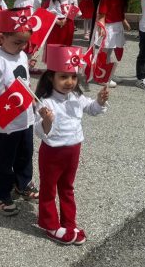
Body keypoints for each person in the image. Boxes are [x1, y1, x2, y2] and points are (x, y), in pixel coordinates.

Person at [35, 45, 108, 245]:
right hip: (52, 152)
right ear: (51, 77)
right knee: (49, 188)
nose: (69, 82)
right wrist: (47, 120)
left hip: (73, 149)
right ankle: (50, 224)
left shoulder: (76, 97)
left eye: (73, 77)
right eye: (63, 77)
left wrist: (100, 101)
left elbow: (92, 109)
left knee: (67, 187)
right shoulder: (45, 102)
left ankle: (69, 222)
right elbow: (40, 131)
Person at [0, 8, 38, 216]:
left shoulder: (22, 55)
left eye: (25, 42)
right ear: (2, 38)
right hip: (6, 123)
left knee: (25, 154)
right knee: (4, 161)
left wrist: (34, 103)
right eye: (17, 42)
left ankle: (23, 183)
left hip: (26, 118)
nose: (22, 46)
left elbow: (25, 84)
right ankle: (2, 195)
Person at [96, 0, 132, 88]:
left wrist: (124, 22)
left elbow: (120, 14)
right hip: (108, 28)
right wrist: (101, 27)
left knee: (110, 51)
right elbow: (102, 15)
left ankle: (108, 73)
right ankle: (102, 76)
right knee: (105, 52)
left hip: (117, 27)